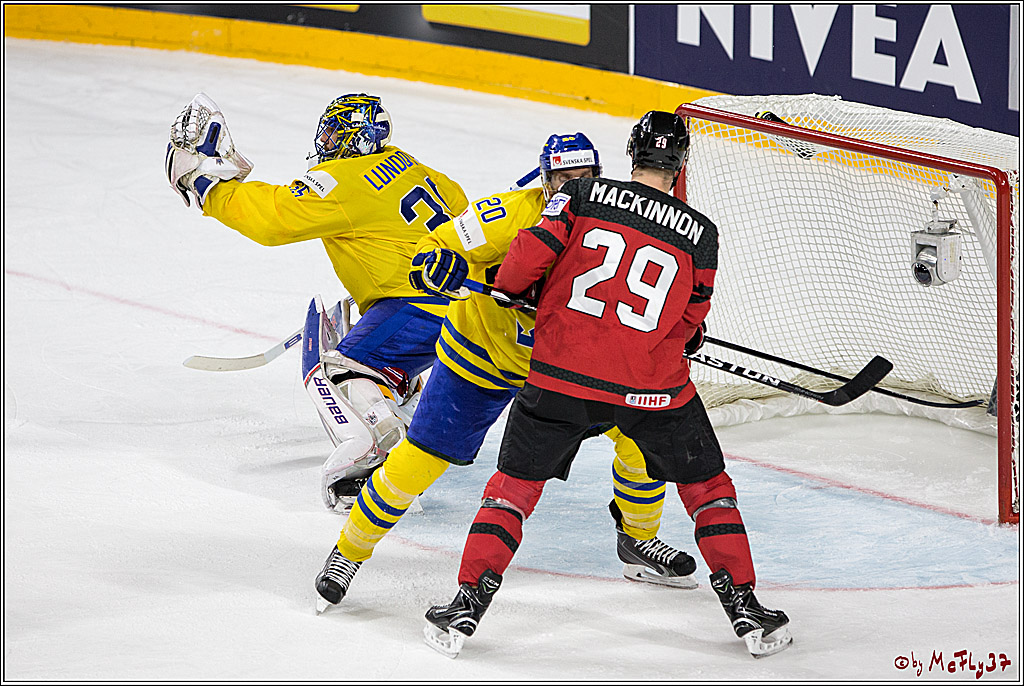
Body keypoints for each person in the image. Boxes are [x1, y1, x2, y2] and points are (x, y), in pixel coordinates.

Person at [422, 112, 792, 659]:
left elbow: (523, 263)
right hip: (652, 389)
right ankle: (745, 608)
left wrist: (512, 288)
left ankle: (465, 606)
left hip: (560, 376)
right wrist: (684, 338)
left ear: (631, 155)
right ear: (679, 165)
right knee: (708, 488)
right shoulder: (703, 236)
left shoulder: (582, 196)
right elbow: (690, 321)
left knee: (512, 490)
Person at [313, 132, 700, 614]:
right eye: (563, 177)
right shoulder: (507, 215)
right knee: (420, 459)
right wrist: (440, 264)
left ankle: (639, 542)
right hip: (481, 355)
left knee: (639, 439)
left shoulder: (609, 222)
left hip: (563, 369)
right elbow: (432, 247)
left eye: (583, 178)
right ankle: (347, 554)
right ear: (545, 179)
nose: (572, 186)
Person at [165, 93, 468, 509]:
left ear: (355, 138)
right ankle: (404, 399)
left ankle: (375, 456)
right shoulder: (415, 167)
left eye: (333, 132)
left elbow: (274, 219)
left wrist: (206, 188)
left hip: (420, 306)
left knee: (339, 368)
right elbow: (462, 209)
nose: (325, 141)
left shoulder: (343, 181)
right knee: (373, 339)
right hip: (465, 300)